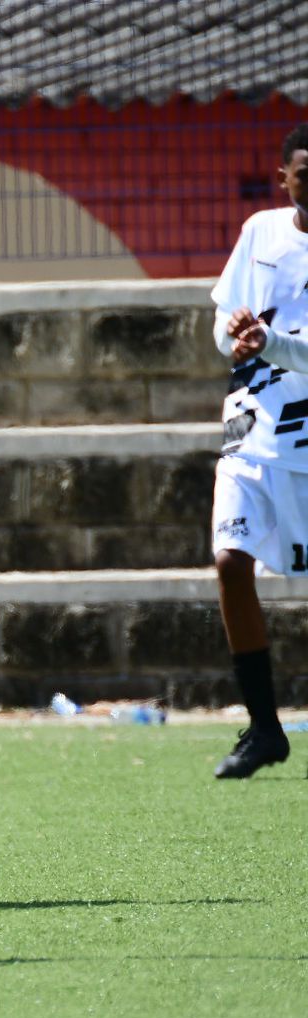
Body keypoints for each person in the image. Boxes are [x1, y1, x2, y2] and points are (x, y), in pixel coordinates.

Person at [207, 124, 308, 779]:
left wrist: (269, 343)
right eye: (305, 172)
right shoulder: (261, 232)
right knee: (228, 559)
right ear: (284, 177)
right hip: (250, 429)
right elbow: (224, 323)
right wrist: (237, 338)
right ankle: (264, 727)